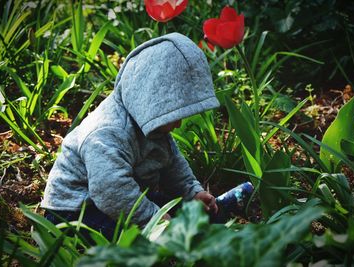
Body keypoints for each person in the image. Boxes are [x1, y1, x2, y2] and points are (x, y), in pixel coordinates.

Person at [41, 32, 221, 239]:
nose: (178, 123)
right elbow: (112, 193)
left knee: (198, 216)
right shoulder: (106, 133)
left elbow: (172, 163)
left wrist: (192, 192)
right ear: (149, 102)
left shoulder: (151, 125)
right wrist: (155, 220)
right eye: (173, 115)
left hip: (128, 199)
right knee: (141, 242)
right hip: (77, 211)